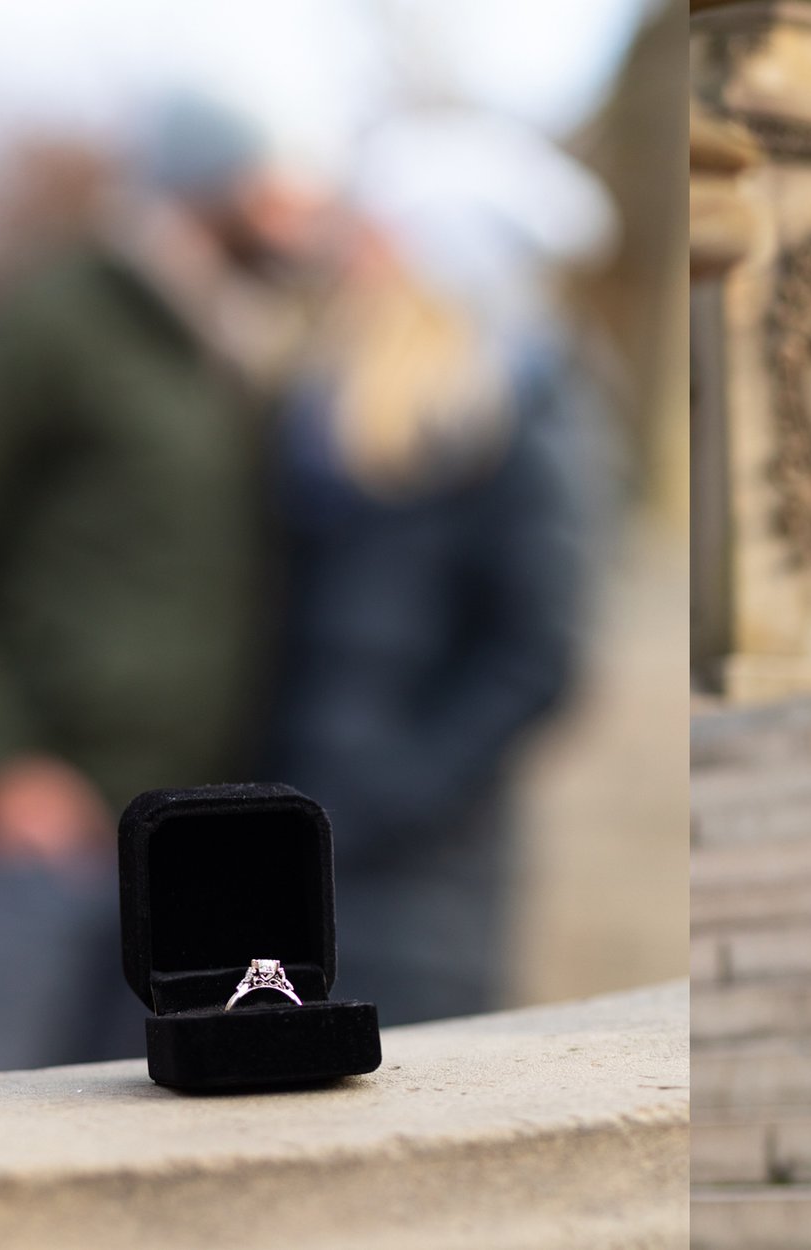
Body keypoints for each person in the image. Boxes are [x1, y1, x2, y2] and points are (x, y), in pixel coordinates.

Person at [0, 92, 329, 1074]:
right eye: (278, 196)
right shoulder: (56, 322)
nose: (301, 221)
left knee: (139, 1139)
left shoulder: (230, 342)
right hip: (47, 830)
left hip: (186, 836)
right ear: (210, 192)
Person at [262, 113, 608, 1024]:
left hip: (414, 879)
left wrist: (381, 797)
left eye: (373, 240)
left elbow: (539, 657)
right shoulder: (332, 409)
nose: (350, 261)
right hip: (294, 837)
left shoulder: (521, 415)